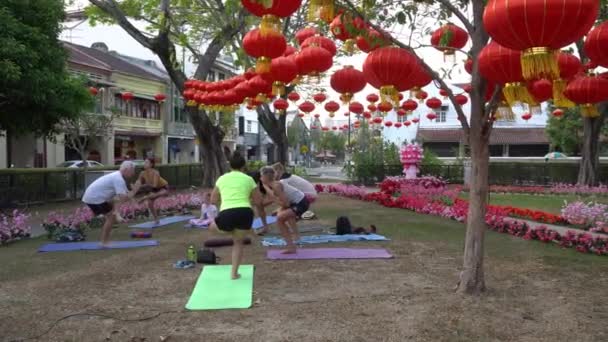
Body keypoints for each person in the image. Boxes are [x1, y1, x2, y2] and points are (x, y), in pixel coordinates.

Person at [209, 153, 261, 280]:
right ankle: (234, 274)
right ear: (244, 166)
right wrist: (247, 198)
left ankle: (232, 231)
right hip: (245, 212)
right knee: (238, 243)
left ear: (229, 165)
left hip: (227, 212)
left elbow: (213, 200)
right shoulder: (249, 179)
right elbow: (258, 201)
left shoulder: (222, 179)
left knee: (211, 227)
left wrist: (226, 198)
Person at [82, 161, 141, 246]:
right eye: (132, 170)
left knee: (114, 202)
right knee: (111, 218)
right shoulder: (118, 179)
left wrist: (134, 202)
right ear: (126, 170)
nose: (133, 173)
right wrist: (135, 190)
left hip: (93, 197)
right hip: (95, 198)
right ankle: (104, 242)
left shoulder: (118, 176)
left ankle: (115, 215)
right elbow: (123, 198)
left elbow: (126, 195)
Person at [259, 166, 309, 254]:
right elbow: (280, 202)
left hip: (301, 202)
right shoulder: (274, 185)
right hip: (297, 202)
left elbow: (286, 204)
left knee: (280, 219)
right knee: (284, 214)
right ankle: (295, 237)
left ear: (265, 177)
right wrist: (278, 207)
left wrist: (276, 203)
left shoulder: (276, 186)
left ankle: (291, 247)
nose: (260, 178)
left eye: (261, 176)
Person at [135, 158, 169, 224]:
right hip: (154, 189)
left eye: (146, 162)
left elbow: (154, 186)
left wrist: (144, 194)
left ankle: (143, 198)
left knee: (151, 196)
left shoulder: (156, 173)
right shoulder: (142, 173)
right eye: (144, 162)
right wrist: (135, 186)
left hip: (163, 188)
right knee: (150, 203)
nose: (144, 164)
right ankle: (156, 219)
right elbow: (138, 183)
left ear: (151, 164)